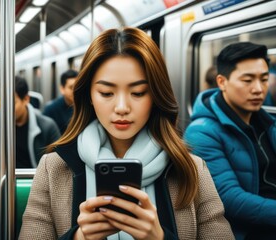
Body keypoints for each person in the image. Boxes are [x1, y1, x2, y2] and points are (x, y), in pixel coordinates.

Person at [19, 27, 233, 240]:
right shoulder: (53, 169)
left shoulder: (192, 170)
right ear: (89, 96)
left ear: (156, 96)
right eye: (106, 93)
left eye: (138, 92)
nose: (122, 107)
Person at [184, 42, 276, 240]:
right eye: (247, 80)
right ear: (222, 82)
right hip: (247, 231)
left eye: (264, 79)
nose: (259, 89)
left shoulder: (267, 122)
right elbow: (228, 197)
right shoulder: (201, 133)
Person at [0, 76, 60, 209]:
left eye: (12, 103)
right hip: (7, 176)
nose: (7, 109)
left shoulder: (46, 126)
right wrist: (0, 170)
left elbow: (58, 162)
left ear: (26, 99)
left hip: (37, 177)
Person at [43, 69, 78, 134]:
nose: (75, 91)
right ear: (62, 89)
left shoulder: (85, 107)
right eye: (71, 87)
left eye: (77, 87)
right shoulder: (50, 109)